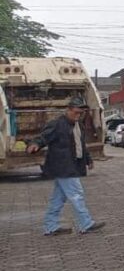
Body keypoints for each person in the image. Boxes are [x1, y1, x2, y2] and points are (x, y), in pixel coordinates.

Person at [27, 97, 105, 236]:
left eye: (80, 113)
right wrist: (35, 144)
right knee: (76, 194)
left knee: (58, 198)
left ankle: (51, 226)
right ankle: (86, 223)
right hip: (62, 165)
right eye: (76, 112)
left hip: (71, 165)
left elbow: (81, 145)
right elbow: (44, 136)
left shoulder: (78, 125)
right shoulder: (57, 124)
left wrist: (88, 159)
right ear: (68, 110)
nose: (78, 115)